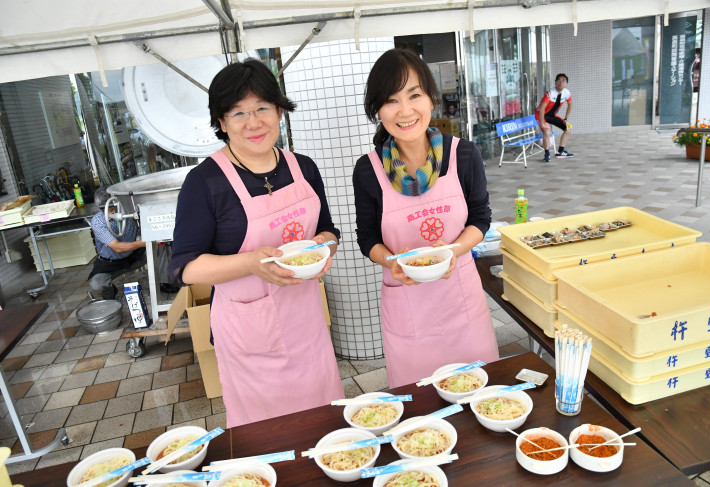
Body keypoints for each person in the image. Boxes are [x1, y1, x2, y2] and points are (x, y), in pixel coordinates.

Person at [169, 59, 343, 428]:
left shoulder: (304, 167)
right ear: (222, 122)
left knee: (323, 426)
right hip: (250, 334)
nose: (254, 122)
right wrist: (249, 263)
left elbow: (328, 230)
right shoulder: (205, 183)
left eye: (263, 107)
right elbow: (185, 267)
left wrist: (322, 249)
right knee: (267, 437)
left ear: (279, 110)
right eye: (238, 113)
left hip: (307, 323)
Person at [353, 48, 499, 389]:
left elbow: (481, 218)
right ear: (378, 110)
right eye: (391, 100)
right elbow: (368, 238)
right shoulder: (368, 170)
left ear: (431, 99)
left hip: (462, 305)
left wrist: (452, 250)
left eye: (414, 95)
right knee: (418, 415)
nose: (405, 111)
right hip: (408, 312)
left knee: (479, 397)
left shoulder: (464, 154)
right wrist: (392, 263)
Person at [88, 187, 147, 299]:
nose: (112, 212)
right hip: (110, 263)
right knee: (97, 285)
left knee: (162, 248)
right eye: (107, 209)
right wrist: (145, 243)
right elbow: (117, 247)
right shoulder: (98, 222)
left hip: (134, 256)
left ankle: (165, 282)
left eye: (113, 207)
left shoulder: (130, 213)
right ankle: (110, 297)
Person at [535, 73, 574, 163]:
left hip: (551, 115)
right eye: (559, 81)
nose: (561, 83)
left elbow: (570, 104)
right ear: (555, 82)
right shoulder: (550, 93)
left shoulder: (566, 93)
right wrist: (543, 122)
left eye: (563, 81)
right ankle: (547, 153)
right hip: (541, 114)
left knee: (568, 128)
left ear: (566, 83)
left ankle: (560, 151)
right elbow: (541, 109)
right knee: (547, 130)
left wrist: (566, 119)